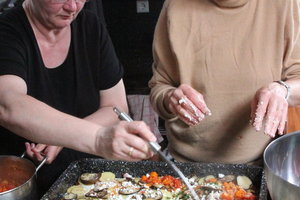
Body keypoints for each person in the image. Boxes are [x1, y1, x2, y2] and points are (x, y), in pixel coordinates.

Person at [0, 0, 157, 197]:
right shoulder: (7, 32)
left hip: (91, 183)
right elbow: (9, 105)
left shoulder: (90, 26)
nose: (72, 7)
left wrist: (59, 137)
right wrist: (98, 138)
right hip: (23, 186)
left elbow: (115, 107)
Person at [149, 0, 300, 165]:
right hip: (182, 164)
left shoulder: (286, 4)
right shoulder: (174, 5)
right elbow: (159, 85)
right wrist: (171, 98)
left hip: (259, 163)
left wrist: (283, 90)